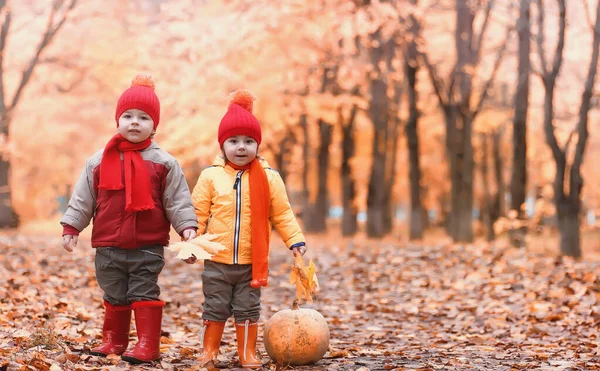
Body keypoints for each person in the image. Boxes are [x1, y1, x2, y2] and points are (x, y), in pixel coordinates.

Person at [60, 73, 198, 364]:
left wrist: (186, 227)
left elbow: (177, 199)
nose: (135, 122)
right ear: (118, 121)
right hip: (108, 245)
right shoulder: (99, 160)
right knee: (114, 291)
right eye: (128, 116)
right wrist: (72, 226)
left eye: (144, 117)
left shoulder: (164, 162)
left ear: (154, 126)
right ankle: (114, 339)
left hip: (147, 246)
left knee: (143, 290)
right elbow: (85, 197)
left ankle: (148, 343)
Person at [190, 89, 307, 368]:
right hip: (217, 261)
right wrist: (192, 242)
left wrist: (295, 241)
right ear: (223, 145)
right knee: (215, 306)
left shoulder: (269, 178)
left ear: (257, 145)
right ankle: (209, 351)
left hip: (250, 263)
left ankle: (247, 353)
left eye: (248, 141)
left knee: (247, 308)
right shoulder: (210, 176)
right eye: (233, 141)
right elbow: (197, 213)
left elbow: (282, 213)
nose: (241, 147)